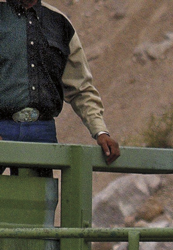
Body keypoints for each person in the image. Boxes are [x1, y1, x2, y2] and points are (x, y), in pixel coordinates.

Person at [0, 0, 119, 163]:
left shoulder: (59, 22)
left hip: (42, 131)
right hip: (2, 124)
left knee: (40, 189)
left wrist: (100, 132)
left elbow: (81, 88)